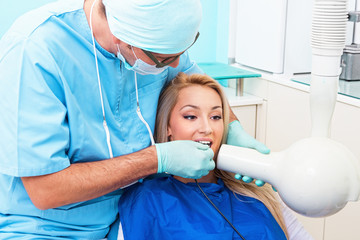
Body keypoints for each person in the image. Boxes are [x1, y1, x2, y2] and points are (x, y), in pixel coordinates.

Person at [0, 0, 269, 238]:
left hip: (125, 216)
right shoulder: (35, 50)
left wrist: (234, 129)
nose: (175, 65)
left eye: (180, 53)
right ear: (122, 36)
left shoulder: (157, 44)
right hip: (47, 229)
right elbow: (46, 190)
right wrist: (156, 159)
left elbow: (199, 88)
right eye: (164, 60)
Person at [116, 73, 314, 240]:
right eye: (190, 116)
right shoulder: (146, 200)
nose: (206, 128)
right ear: (168, 127)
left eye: (216, 117)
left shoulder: (254, 192)